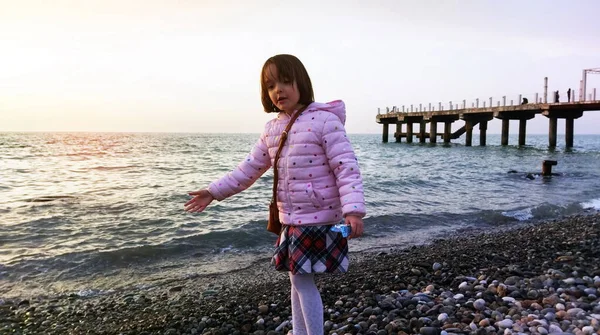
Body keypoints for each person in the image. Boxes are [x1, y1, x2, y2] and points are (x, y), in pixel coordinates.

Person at [184, 54, 366, 335]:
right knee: (297, 280)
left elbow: (346, 168)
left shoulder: (325, 121)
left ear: (301, 83)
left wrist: (353, 210)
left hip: (317, 217)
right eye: (270, 86)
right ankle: (301, 331)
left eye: (285, 81)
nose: (278, 90)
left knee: (303, 282)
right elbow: (248, 169)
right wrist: (213, 192)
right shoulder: (272, 129)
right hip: (290, 219)